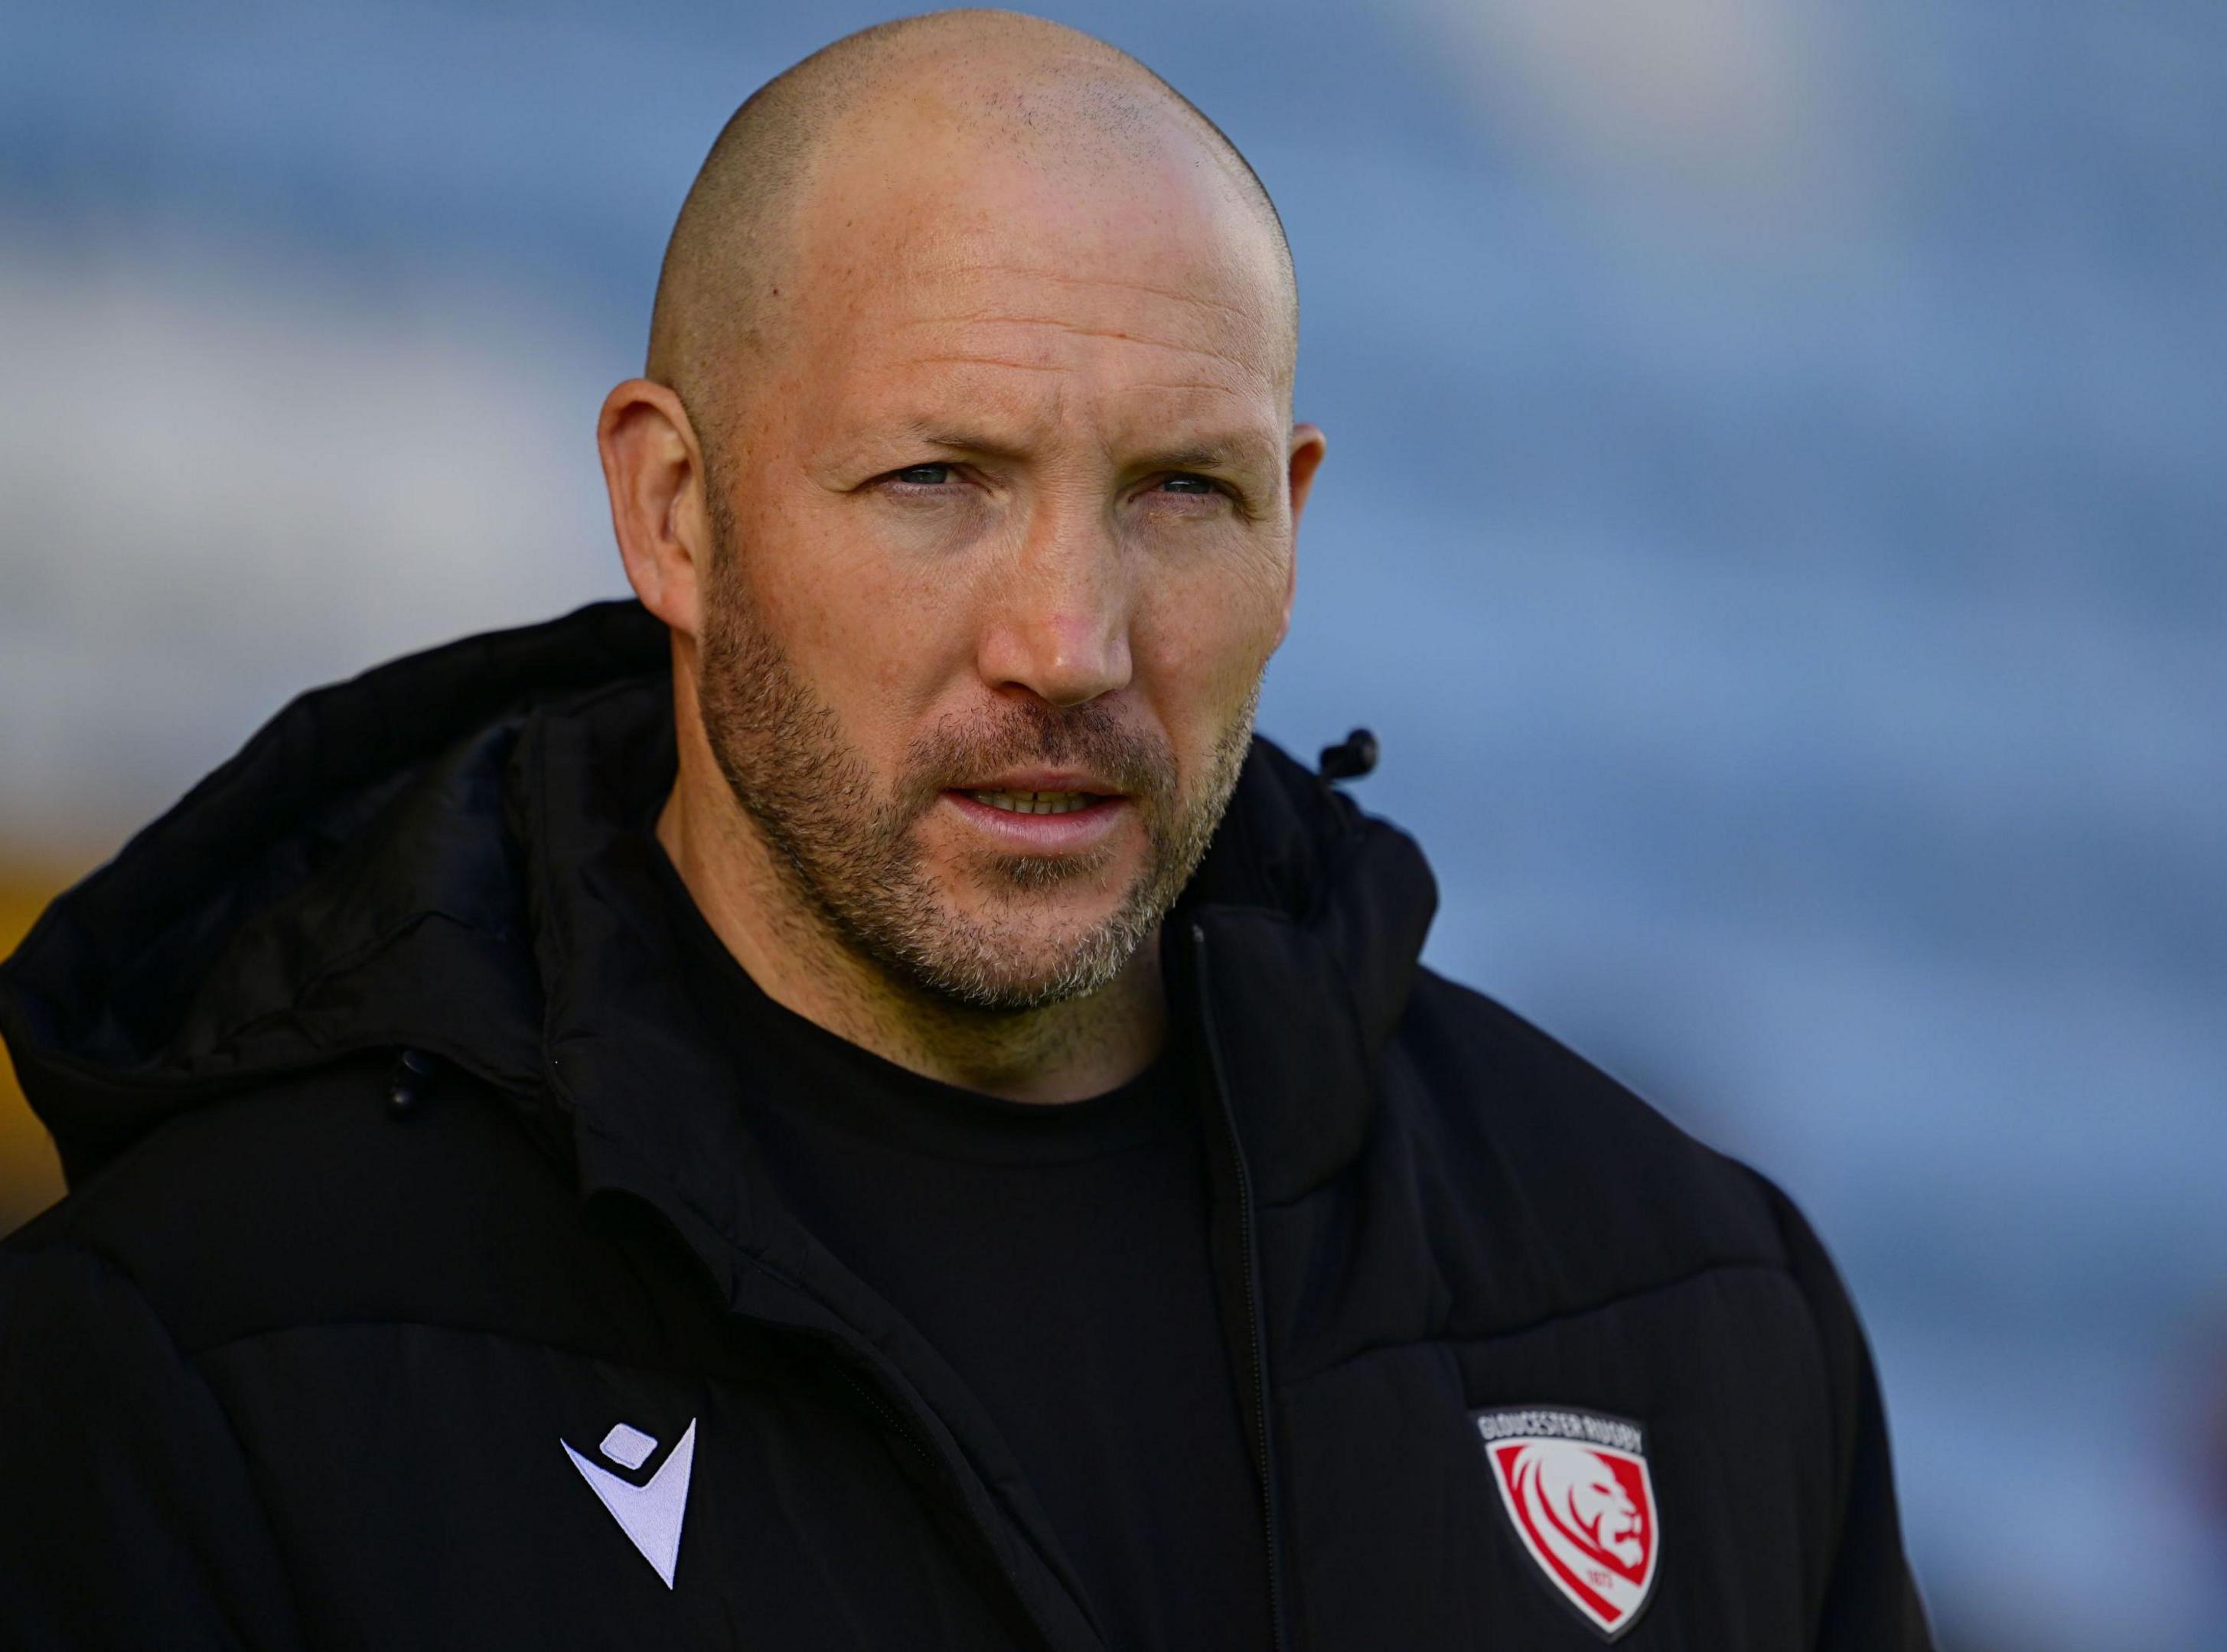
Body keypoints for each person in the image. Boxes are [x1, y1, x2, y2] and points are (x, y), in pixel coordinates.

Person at [0, 11, 1929, 1649]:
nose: (1068, 643)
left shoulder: (1690, 1313)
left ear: (1294, 524)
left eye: (1183, 493)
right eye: (938, 479)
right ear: (673, 511)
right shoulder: (206, 1356)